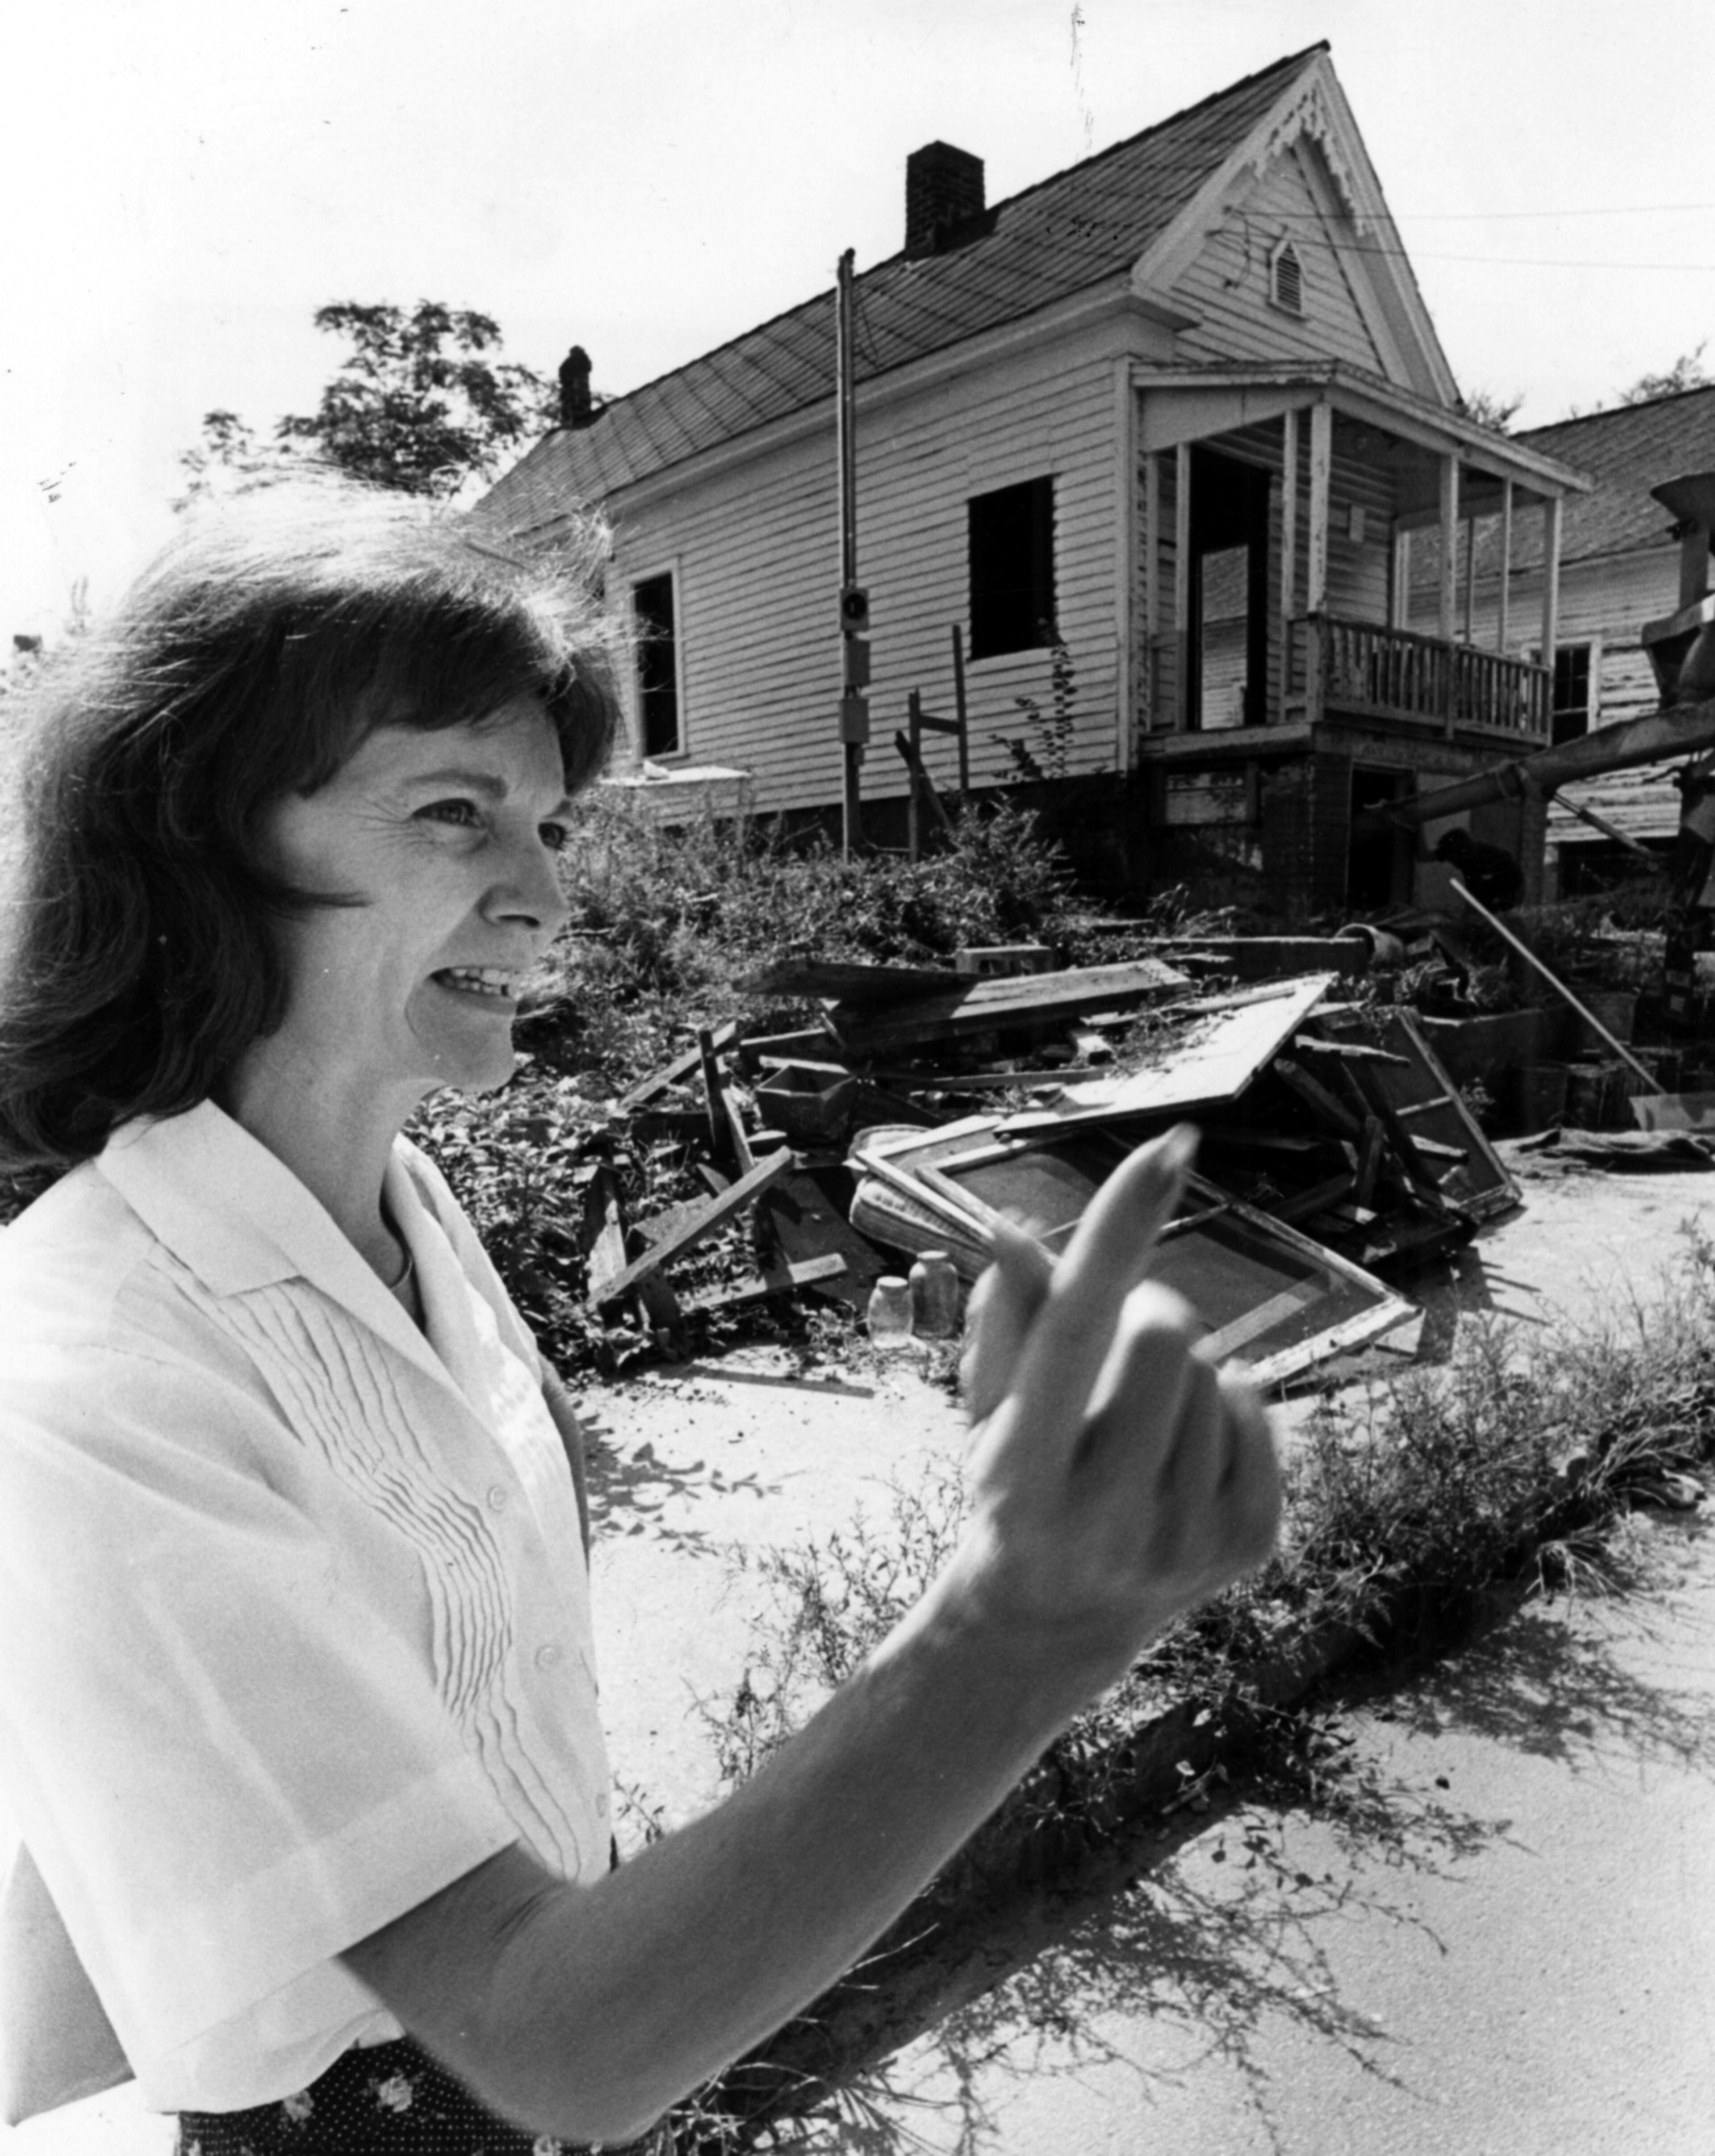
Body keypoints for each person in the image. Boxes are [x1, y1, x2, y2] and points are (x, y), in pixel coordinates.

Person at [0, 482, 1280, 2156]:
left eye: (550, 825)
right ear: (196, 841)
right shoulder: (93, 1360)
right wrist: (1030, 1619)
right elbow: (563, 2038)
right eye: (454, 809)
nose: (545, 894)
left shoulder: (400, 1199)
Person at [1432, 826, 1523, 913]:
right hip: (1508, 884)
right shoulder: (1461, 853)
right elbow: (1426, 856)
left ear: (1457, 853)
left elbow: (1474, 897)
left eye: (1450, 858)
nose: (1450, 862)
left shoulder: (1472, 862)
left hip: (1510, 886)